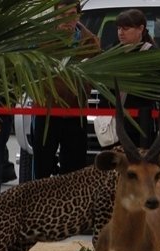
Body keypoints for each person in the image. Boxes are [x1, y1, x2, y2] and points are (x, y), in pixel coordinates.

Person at [29, 0, 100, 179]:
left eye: (72, 15)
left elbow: (100, 70)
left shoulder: (89, 41)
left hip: (76, 113)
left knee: (74, 170)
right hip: (46, 112)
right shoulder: (41, 40)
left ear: (78, 16)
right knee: (42, 168)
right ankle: (42, 205)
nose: (67, 20)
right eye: (62, 15)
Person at [99, 9, 160, 149]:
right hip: (113, 123)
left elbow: (153, 90)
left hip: (140, 124)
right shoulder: (112, 52)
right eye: (119, 28)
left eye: (126, 28)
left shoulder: (152, 55)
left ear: (141, 29)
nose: (121, 32)